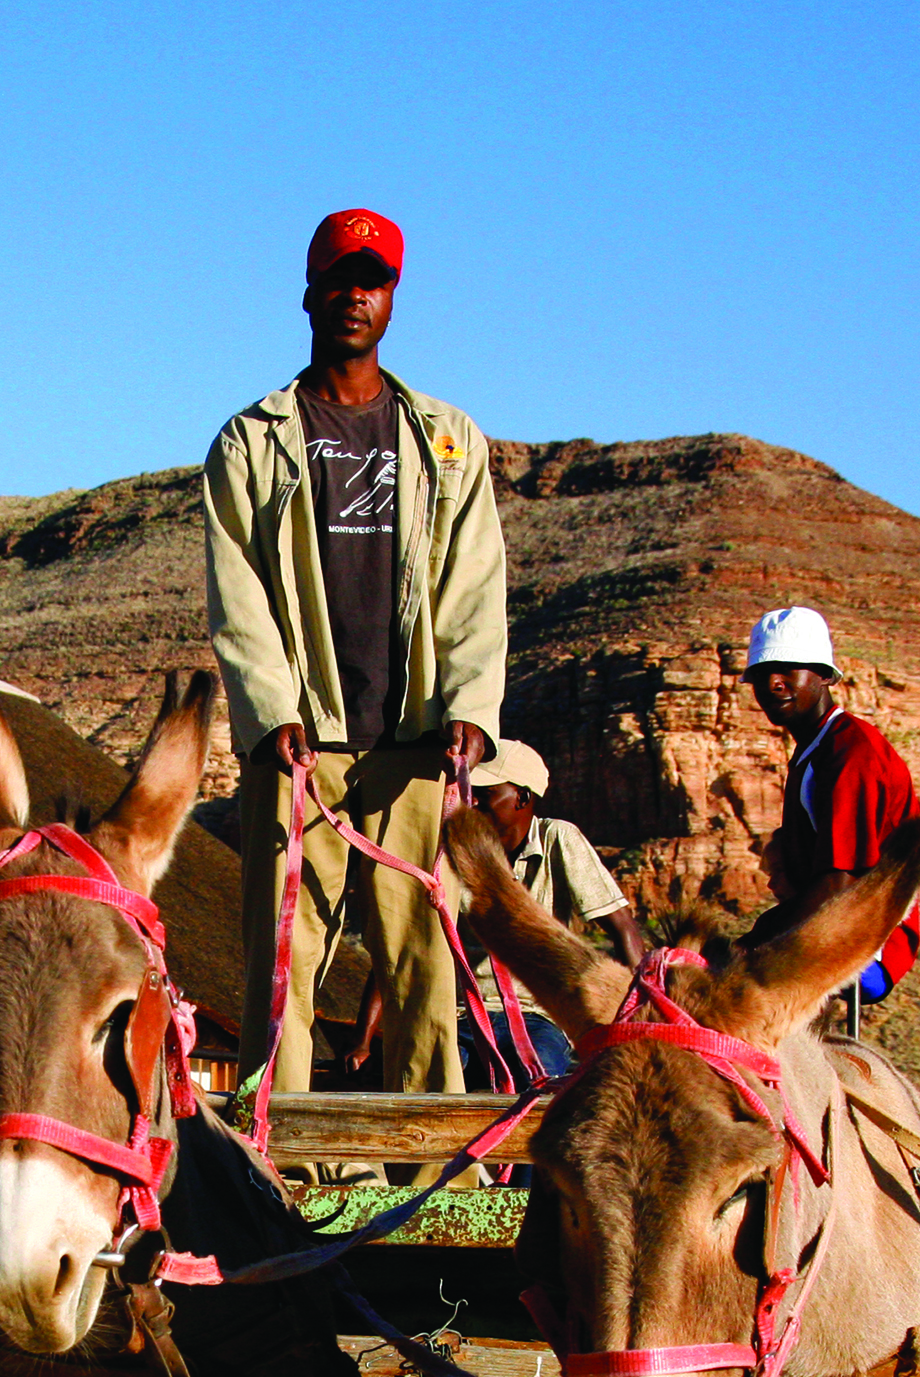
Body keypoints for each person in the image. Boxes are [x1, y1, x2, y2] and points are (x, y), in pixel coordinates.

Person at [206, 207, 511, 1107]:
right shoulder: (251, 441)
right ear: (309, 293)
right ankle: (275, 1154)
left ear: (392, 299)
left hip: (414, 746)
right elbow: (237, 591)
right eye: (340, 279)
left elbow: (474, 583)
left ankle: (433, 1165)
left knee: (424, 962)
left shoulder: (445, 440)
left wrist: (470, 707)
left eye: (372, 282)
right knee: (282, 964)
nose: (355, 296)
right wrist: (270, 713)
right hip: (301, 747)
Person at [739, 606, 920, 1003]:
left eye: (788, 670)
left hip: (865, 947)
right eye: (762, 674)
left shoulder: (852, 754)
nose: (773, 684)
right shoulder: (818, 746)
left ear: (823, 675)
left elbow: (841, 885)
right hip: (830, 926)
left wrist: (750, 944)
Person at [460, 737, 644, 1087]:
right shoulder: (459, 847)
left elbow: (621, 926)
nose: (473, 803)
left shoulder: (558, 838)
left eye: (485, 794)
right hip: (463, 1013)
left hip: (537, 1014)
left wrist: (642, 1017)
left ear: (522, 797)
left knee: (541, 1085)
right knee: (433, 1085)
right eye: (470, 794)